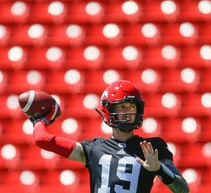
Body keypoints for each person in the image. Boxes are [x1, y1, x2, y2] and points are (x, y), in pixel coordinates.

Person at [30, 80, 189, 193]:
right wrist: (40, 121)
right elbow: (43, 140)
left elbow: (183, 189)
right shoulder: (94, 149)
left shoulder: (151, 147)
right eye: (121, 107)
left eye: (131, 107)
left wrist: (160, 169)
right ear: (108, 110)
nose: (127, 112)